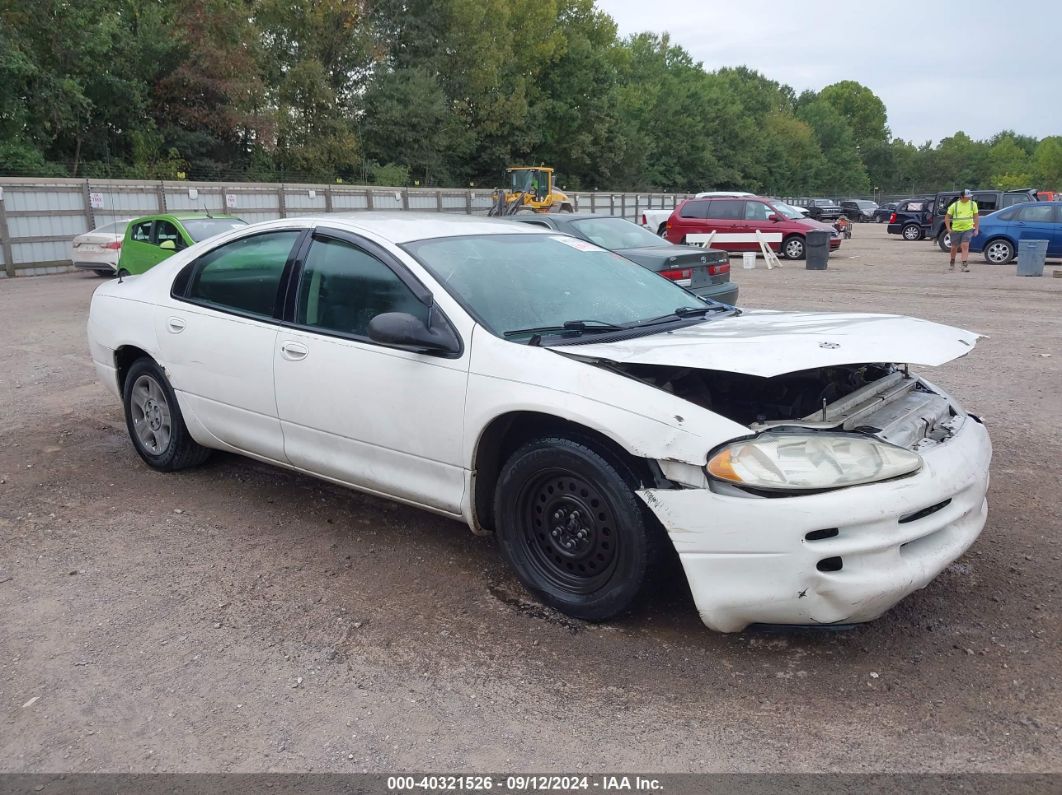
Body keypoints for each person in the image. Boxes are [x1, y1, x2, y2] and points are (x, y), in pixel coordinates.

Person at [945, 189, 980, 272]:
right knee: (954, 247)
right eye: (967, 197)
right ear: (961, 197)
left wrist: (976, 229)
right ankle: (952, 262)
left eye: (969, 196)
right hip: (956, 229)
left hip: (968, 228)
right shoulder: (954, 205)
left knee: (965, 246)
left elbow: (976, 217)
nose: (969, 198)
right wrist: (948, 229)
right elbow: (947, 217)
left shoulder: (973, 204)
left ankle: (964, 265)